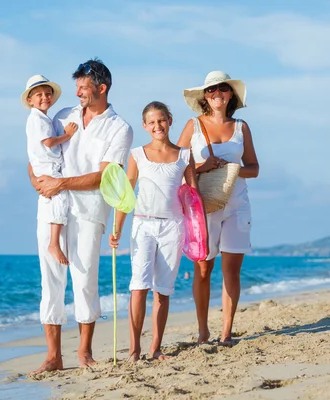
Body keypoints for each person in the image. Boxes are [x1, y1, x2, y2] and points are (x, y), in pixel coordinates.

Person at [28, 59, 134, 372]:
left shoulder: (120, 128)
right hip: (52, 208)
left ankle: (84, 353)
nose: (77, 92)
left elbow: (105, 176)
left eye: (83, 87)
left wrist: (60, 182)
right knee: (51, 279)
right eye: (76, 86)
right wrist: (37, 181)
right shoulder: (62, 117)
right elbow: (37, 153)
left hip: (90, 210)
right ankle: (53, 357)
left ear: (102, 88)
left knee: (85, 278)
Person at [109, 101, 203, 362]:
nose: (157, 126)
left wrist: (200, 233)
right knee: (138, 286)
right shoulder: (137, 154)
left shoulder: (185, 156)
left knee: (163, 289)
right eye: (151, 122)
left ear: (170, 120)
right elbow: (125, 196)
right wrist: (116, 228)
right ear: (144, 126)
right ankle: (134, 350)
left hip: (174, 227)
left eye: (161, 120)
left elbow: (193, 198)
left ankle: (156, 347)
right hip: (143, 225)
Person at [177, 71, 259, 344]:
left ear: (230, 94)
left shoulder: (241, 127)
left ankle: (226, 332)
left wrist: (234, 169)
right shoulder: (193, 126)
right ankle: (203, 330)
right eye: (211, 90)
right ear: (205, 96)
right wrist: (203, 167)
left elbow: (254, 168)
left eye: (222, 89)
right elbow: (174, 166)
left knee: (231, 270)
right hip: (204, 206)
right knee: (202, 268)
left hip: (237, 205)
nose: (217, 94)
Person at [22, 74, 78, 266]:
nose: (45, 97)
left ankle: (54, 241)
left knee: (54, 201)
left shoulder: (42, 119)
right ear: (30, 100)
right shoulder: (37, 120)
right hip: (46, 166)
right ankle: (54, 243)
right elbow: (48, 142)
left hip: (44, 165)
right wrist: (67, 135)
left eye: (48, 94)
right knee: (60, 197)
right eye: (39, 95)